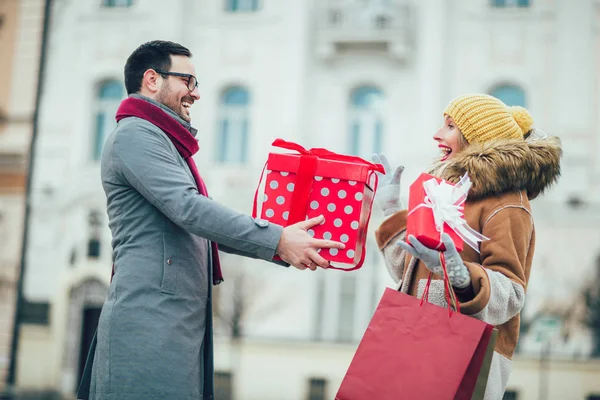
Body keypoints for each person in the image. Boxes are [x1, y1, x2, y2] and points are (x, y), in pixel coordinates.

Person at [77, 40, 345, 400]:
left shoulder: (163, 141)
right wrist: (278, 239)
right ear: (152, 80)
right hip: (148, 325)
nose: (196, 94)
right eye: (188, 81)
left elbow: (203, 226)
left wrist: (282, 245)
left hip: (170, 324)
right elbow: (190, 209)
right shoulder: (136, 136)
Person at [372, 94, 562, 399]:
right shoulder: (446, 195)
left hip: (467, 351)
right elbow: (408, 273)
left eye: (450, 126)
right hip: (416, 338)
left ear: (479, 138)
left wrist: (461, 277)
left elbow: (511, 295)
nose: (437, 134)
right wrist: (391, 209)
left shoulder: (509, 202)